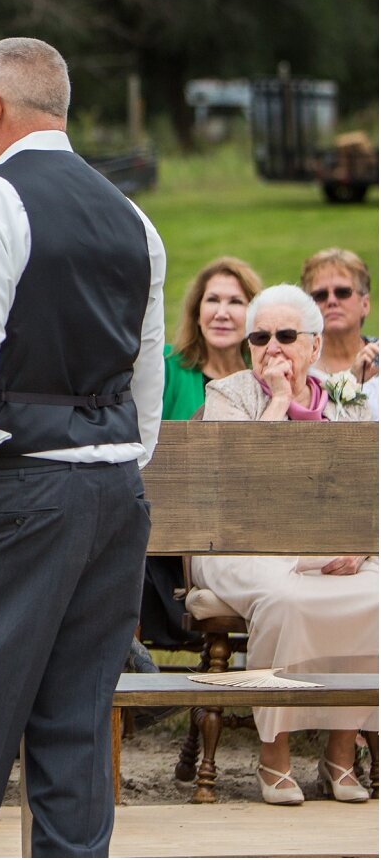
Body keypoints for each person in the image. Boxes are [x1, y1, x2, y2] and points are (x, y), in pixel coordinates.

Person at [0, 37, 165, 857]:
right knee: (75, 729)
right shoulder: (134, 218)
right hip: (112, 490)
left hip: (11, 490)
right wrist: (114, 462)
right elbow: (143, 376)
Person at [190, 284, 377, 805]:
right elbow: (246, 483)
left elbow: (363, 489)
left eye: (286, 336)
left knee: (375, 596)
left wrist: (358, 548)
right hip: (240, 547)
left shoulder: (348, 399)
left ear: (314, 346)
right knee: (287, 598)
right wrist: (277, 400)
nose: (272, 347)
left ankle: (341, 754)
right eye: (260, 337)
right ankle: (274, 755)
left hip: (332, 547)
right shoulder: (228, 395)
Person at [142, 257, 261, 648]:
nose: (222, 313)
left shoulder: (264, 380)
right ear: (197, 311)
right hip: (172, 526)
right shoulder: (167, 369)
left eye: (235, 302)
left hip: (246, 527)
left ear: (254, 313)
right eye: (213, 301)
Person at [300, 248, 378, 418]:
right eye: (320, 295)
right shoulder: (299, 371)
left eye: (343, 292)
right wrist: (352, 379)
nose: (332, 301)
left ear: (365, 304)